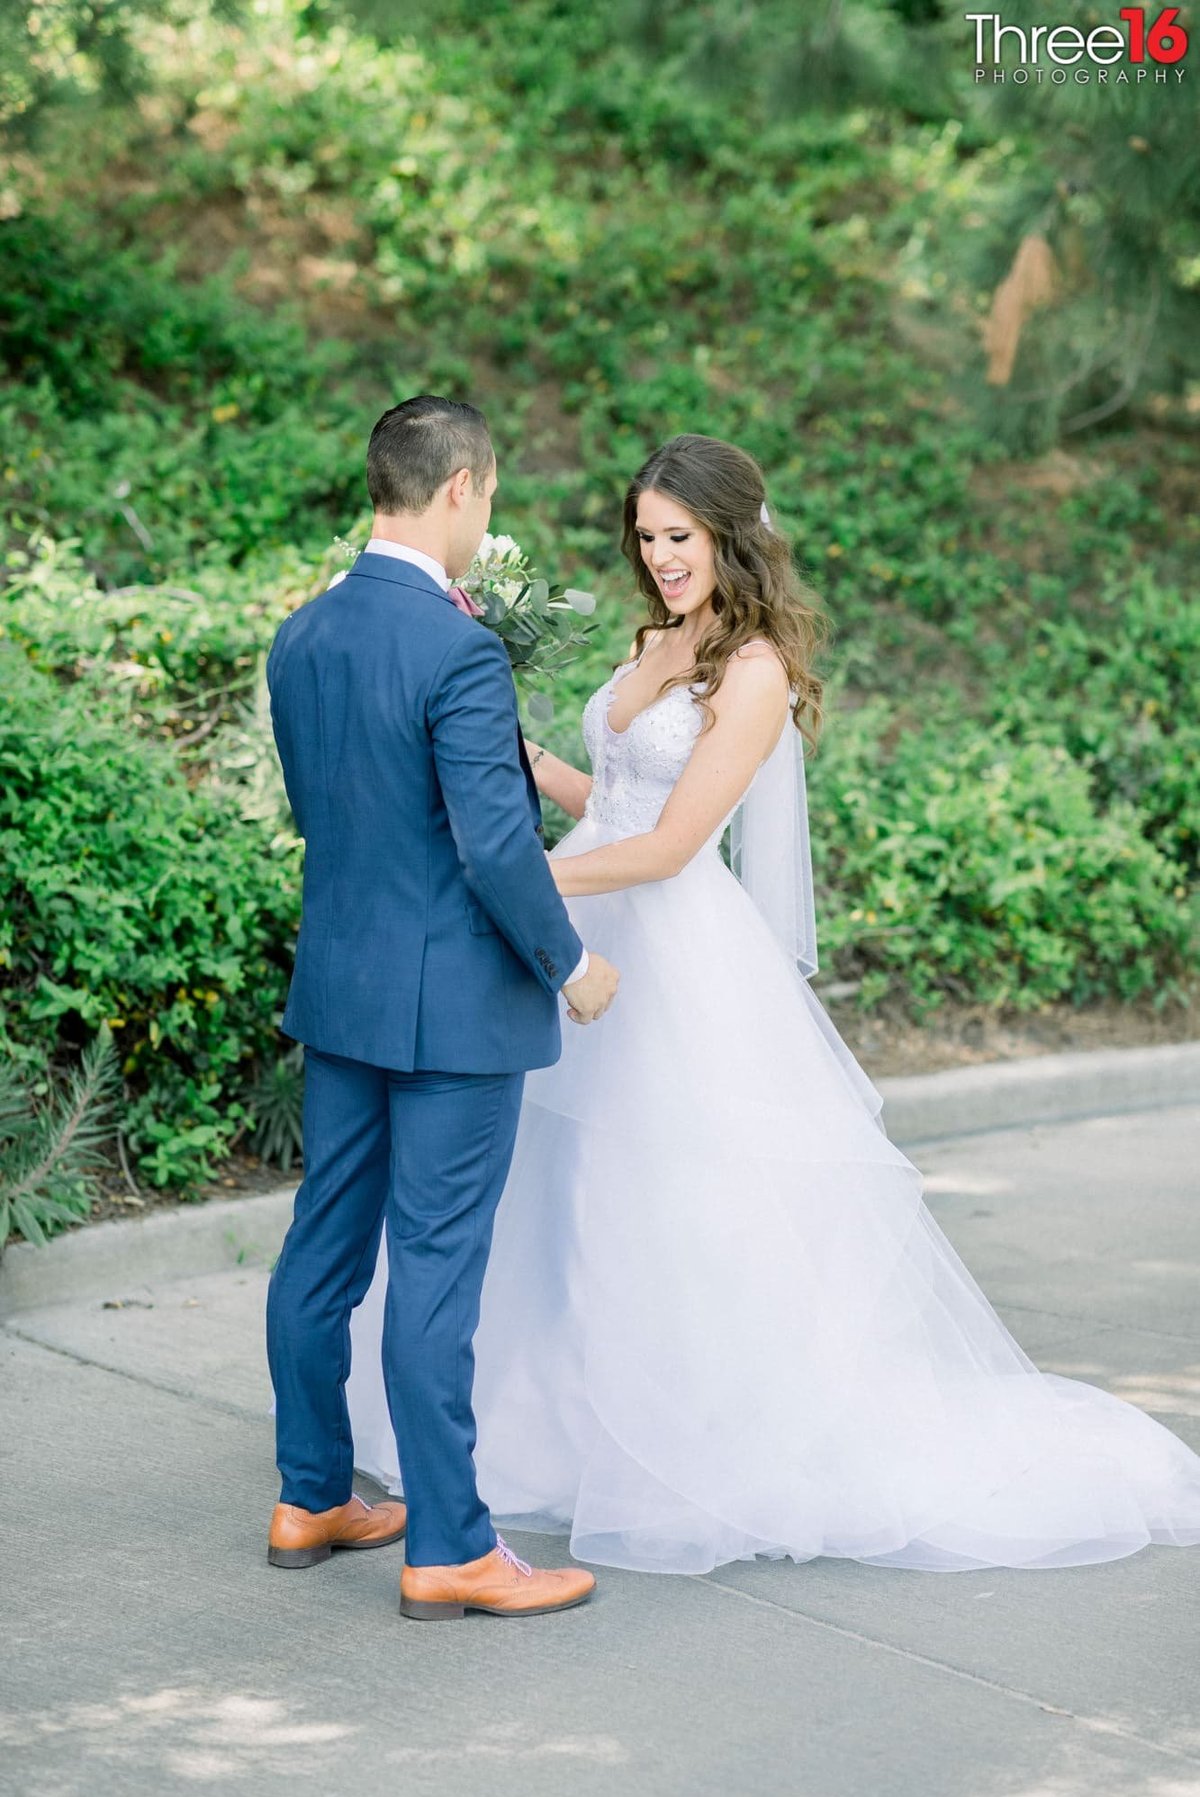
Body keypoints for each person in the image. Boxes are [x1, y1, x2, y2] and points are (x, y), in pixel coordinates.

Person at [347, 432, 1200, 1575]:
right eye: (646, 537)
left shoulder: (751, 673)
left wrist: (510, 872)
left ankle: (688, 1439)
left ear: (731, 535)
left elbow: (669, 844)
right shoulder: (657, 639)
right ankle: (551, 1414)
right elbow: (622, 795)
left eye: (680, 538)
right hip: (588, 925)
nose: (660, 558)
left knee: (655, 1191)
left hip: (668, 954)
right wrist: (533, 767)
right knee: (551, 1188)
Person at [265, 395, 618, 1620]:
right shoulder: (458, 648)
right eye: (494, 495)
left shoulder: (301, 638)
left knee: (322, 1249)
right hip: (454, 1012)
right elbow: (495, 842)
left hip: (343, 992)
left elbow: (335, 822)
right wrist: (570, 965)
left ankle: (310, 1493)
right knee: (434, 1270)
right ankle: (452, 1548)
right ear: (462, 487)